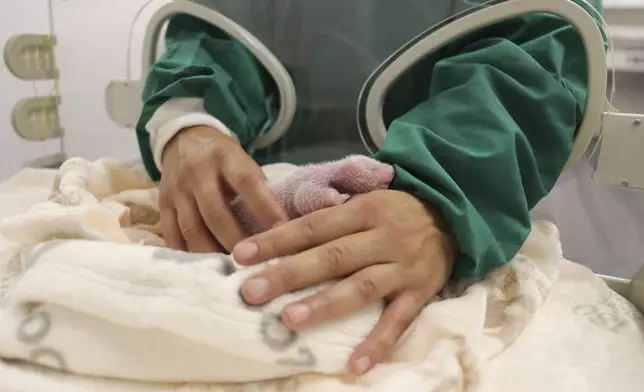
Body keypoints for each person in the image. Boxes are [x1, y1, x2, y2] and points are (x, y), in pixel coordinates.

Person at [136, 0, 605, 375]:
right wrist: (188, 122)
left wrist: (441, 197)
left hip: (457, 214)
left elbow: (540, 49)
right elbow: (216, 27)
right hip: (253, 208)